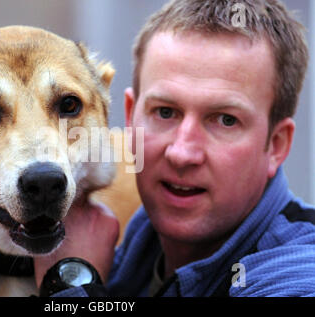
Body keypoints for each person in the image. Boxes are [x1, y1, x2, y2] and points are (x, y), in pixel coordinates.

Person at [34, 0, 315, 297]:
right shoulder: (130, 256)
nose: (182, 153)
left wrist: (71, 279)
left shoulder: (297, 275)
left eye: (225, 120)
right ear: (130, 118)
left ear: (276, 145)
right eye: (165, 112)